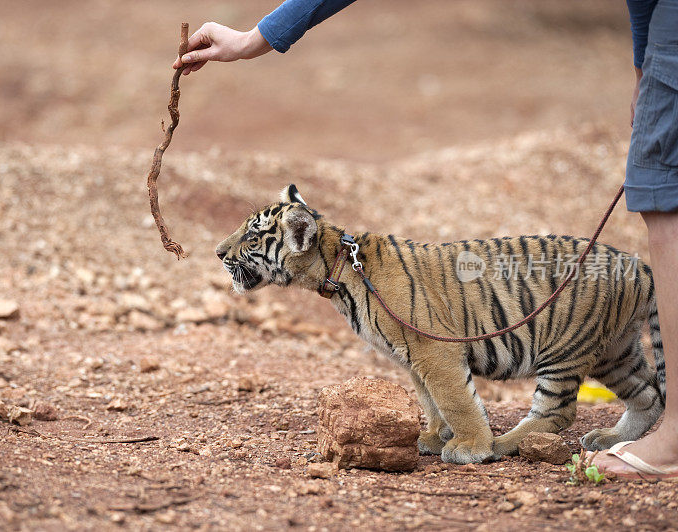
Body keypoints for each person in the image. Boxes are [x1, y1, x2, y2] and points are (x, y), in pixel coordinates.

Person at [174, 0, 678, 479]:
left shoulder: (370, 279)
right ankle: (647, 407)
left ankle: (539, 425)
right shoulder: (354, 280)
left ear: (302, 239)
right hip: (610, 264)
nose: (226, 251)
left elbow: (436, 357)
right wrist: (644, 67)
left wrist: (470, 433)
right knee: (616, 355)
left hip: (585, 282)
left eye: (251, 241)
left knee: (642, 218)